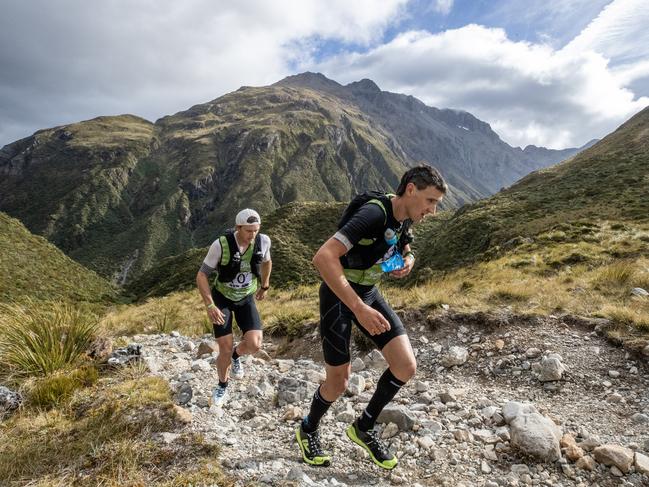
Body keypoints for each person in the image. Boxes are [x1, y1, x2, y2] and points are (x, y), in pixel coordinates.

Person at [296, 164, 447, 469]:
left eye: (436, 204)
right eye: (430, 201)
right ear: (411, 190)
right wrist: (359, 309)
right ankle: (308, 428)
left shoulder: (403, 215)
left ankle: (363, 427)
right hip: (340, 295)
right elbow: (323, 257)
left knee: (405, 366)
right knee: (338, 383)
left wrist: (409, 258)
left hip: (368, 292)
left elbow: (404, 239)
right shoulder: (374, 213)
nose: (433, 210)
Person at [196, 208, 272, 407]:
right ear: (238, 228)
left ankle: (237, 356)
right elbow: (201, 275)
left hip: (246, 297)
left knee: (255, 344)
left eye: (256, 230)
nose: (253, 234)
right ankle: (222, 385)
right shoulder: (220, 245)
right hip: (222, 299)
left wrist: (265, 285)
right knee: (225, 348)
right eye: (248, 231)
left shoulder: (263, 241)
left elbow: (267, 262)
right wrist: (210, 305)